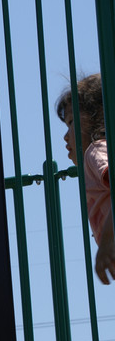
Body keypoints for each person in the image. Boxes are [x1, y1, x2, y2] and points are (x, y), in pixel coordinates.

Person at [57, 73, 115, 284]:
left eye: (71, 122)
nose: (66, 136)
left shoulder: (96, 151)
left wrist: (108, 238)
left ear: (98, 116)